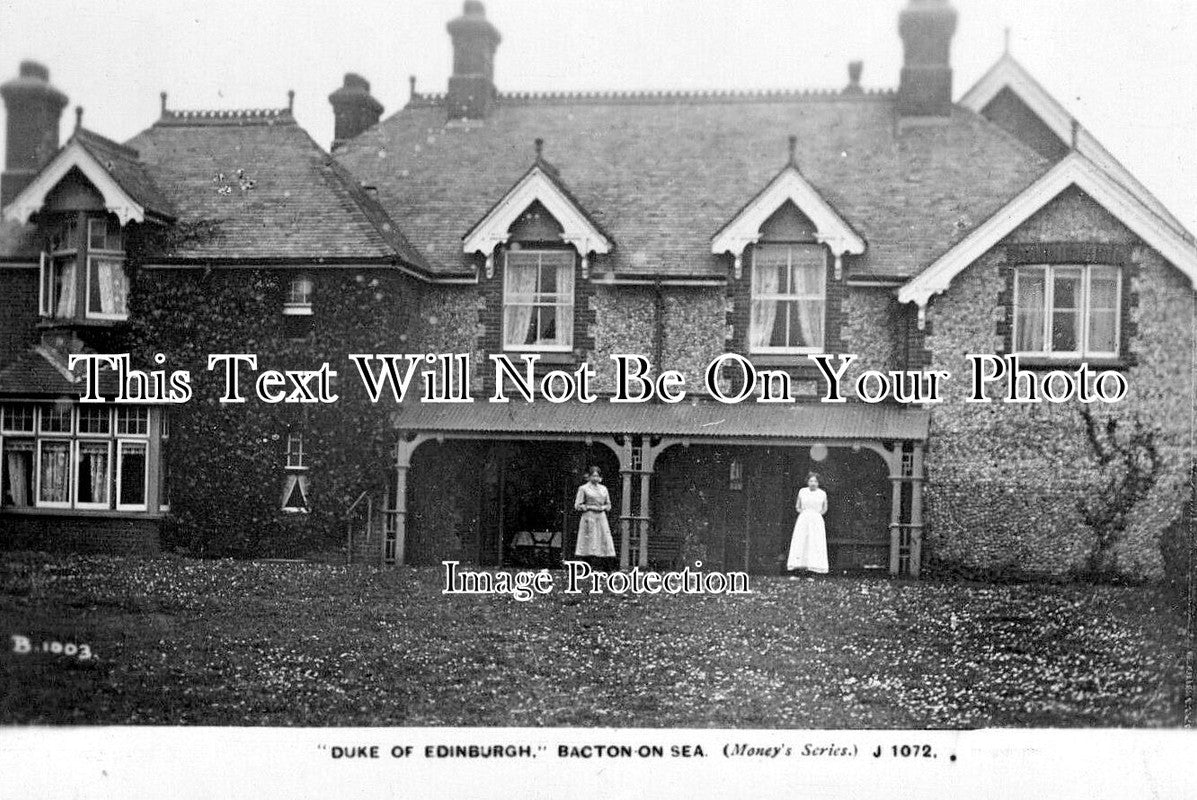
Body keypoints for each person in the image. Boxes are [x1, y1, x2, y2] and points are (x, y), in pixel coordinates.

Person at [786, 472, 829, 575]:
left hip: (816, 520)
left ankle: (813, 570)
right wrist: (805, 514)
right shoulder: (802, 491)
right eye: (811, 481)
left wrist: (816, 516)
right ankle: (799, 570)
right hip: (804, 519)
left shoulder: (822, 493)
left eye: (815, 481)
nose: (813, 483)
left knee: (815, 543)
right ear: (807, 482)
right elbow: (798, 506)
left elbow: (825, 508)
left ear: (818, 483)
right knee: (801, 542)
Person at [574, 466, 615, 569]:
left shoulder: (603, 489)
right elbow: (577, 505)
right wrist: (588, 507)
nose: (595, 478)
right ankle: (587, 566)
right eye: (593, 475)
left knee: (603, 540)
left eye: (597, 475)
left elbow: (608, 505)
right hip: (589, 517)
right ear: (589, 476)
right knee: (589, 541)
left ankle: (602, 566)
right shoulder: (583, 488)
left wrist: (603, 507)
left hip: (601, 517)